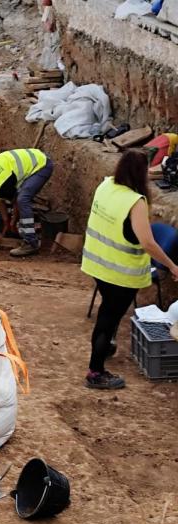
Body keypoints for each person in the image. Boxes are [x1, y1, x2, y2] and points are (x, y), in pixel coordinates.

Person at [81, 150, 178, 390]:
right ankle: (96, 372)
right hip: (121, 273)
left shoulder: (106, 186)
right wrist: (172, 265)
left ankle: (105, 348)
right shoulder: (135, 202)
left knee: (108, 314)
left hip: (97, 264)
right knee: (108, 318)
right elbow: (147, 243)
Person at [0, 148, 54, 258]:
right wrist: (5, 221)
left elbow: (16, 202)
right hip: (31, 160)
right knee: (1, 195)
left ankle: (31, 242)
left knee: (23, 199)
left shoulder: (2, 185)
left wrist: (13, 222)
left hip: (41, 166)